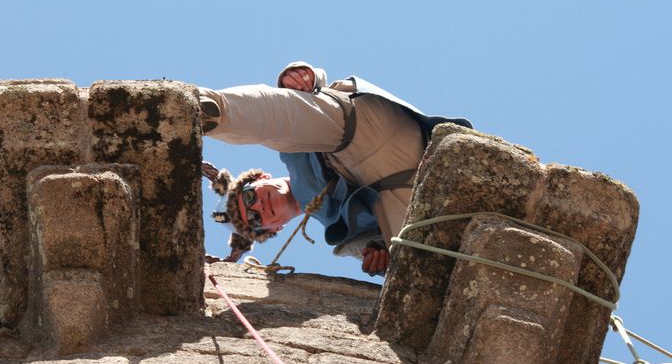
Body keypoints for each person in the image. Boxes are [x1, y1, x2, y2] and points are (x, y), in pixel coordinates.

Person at [200, 61, 472, 276]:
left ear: (261, 178)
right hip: (404, 197)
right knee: (415, 263)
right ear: (276, 228)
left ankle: (206, 111)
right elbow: (377, 253)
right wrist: (378, 255)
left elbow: (299, 102)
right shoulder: (340, 234)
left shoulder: (290, 150)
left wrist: (300, 78)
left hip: (368, 130)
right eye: (255, 220)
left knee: (293, 122)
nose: (259, 207)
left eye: (249, 197)